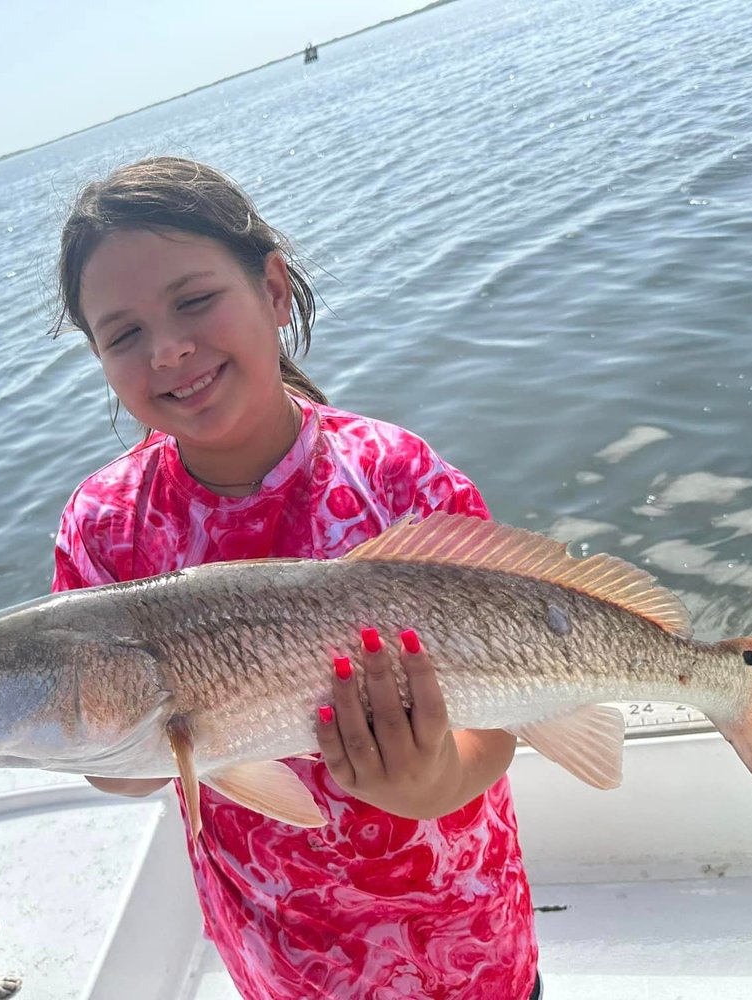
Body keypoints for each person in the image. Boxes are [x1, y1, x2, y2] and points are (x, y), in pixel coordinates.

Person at [50, 156, 540, 1000]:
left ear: (274, 291)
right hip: (282, 952)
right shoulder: (101, 528)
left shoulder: (399, 480)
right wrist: (120, 732)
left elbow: (506, 712)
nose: (167, 349)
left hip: (465, 936)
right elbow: (120, 763)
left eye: (194, 301)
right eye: (122, 334)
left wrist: (432, 783)